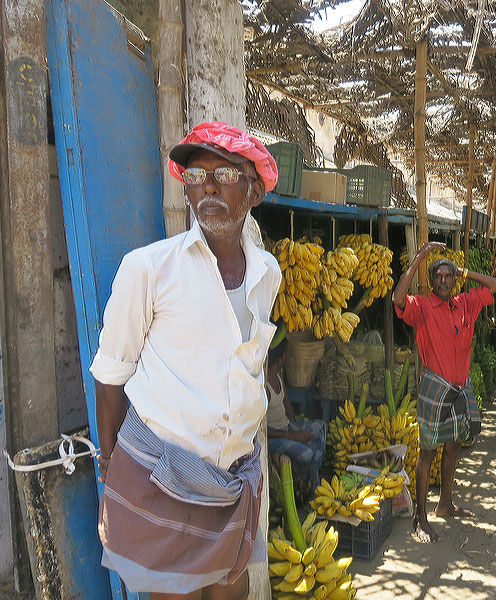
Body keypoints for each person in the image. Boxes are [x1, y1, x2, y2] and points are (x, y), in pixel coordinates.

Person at [90, 122, 281, 599]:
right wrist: (113, 465)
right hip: (167, 478)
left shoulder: (267, 273)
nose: (208, 185)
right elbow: (111, 374)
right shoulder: (149, 268)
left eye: (225, 174)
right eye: (196, 176)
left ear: (254, 191)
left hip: (235, 480)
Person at [392, 241, 496, 542]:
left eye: (448, 276)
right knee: (427, 452)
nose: (443, 281)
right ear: (431, 281)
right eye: (438, 276)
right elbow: (397, 298)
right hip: (434, 387)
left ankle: (445, 504)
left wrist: (463, 269)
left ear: (455, 281)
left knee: (454, 446)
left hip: (460, 387)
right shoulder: (422, 306)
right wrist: (418, 260)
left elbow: (495, 284)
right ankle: (420, 518)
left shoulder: (465, 303)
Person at [265, 340, 326, 495]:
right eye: (285, 354)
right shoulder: (264, 386)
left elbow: (286, 403)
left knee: (320, 426)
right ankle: (308, 487)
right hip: (273, 438)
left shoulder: (278, 374)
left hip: (287, 426)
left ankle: (309, 480)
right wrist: (291, 436)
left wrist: (295, 426)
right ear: (279, 358)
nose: (287, 357)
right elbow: (262, 429)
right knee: (307, 454)